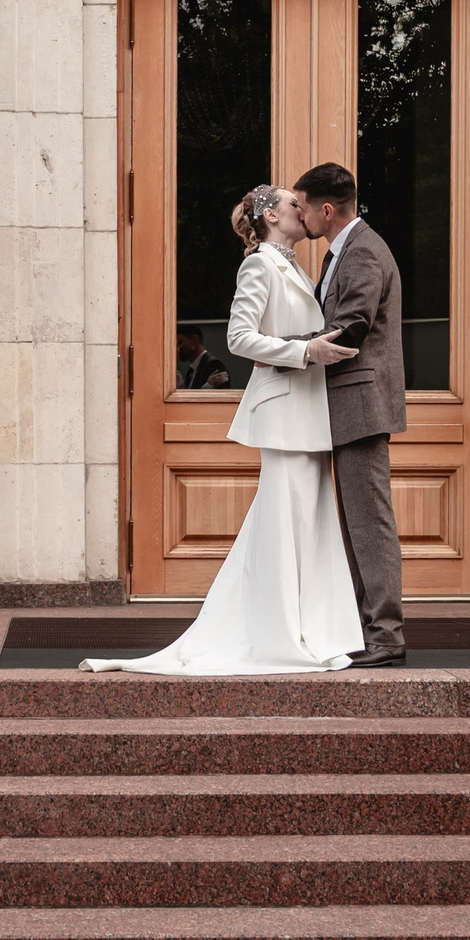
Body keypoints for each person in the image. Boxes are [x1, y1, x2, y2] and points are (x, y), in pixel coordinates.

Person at [82, 186, 363, 675]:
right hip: (284, 415)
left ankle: (310, 630)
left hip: (310, 415)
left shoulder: (297, 266)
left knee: (304, 524)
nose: (303, 208)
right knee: (284, 523)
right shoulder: (259, 264)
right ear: (271, 215)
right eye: (292, 203)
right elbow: (239, 337)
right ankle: (279, 635)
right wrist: (305, 352)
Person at [292, 161, 409, 668]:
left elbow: (352, 328)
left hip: (361, 404)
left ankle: (386, 637)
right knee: (356, 524)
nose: (298, 216)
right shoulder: (345, 251)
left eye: (301, 206)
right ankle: (370, 632)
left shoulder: (363, 250)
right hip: (347, 406)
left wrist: (280, 348)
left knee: (369, 523)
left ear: (325, 209)